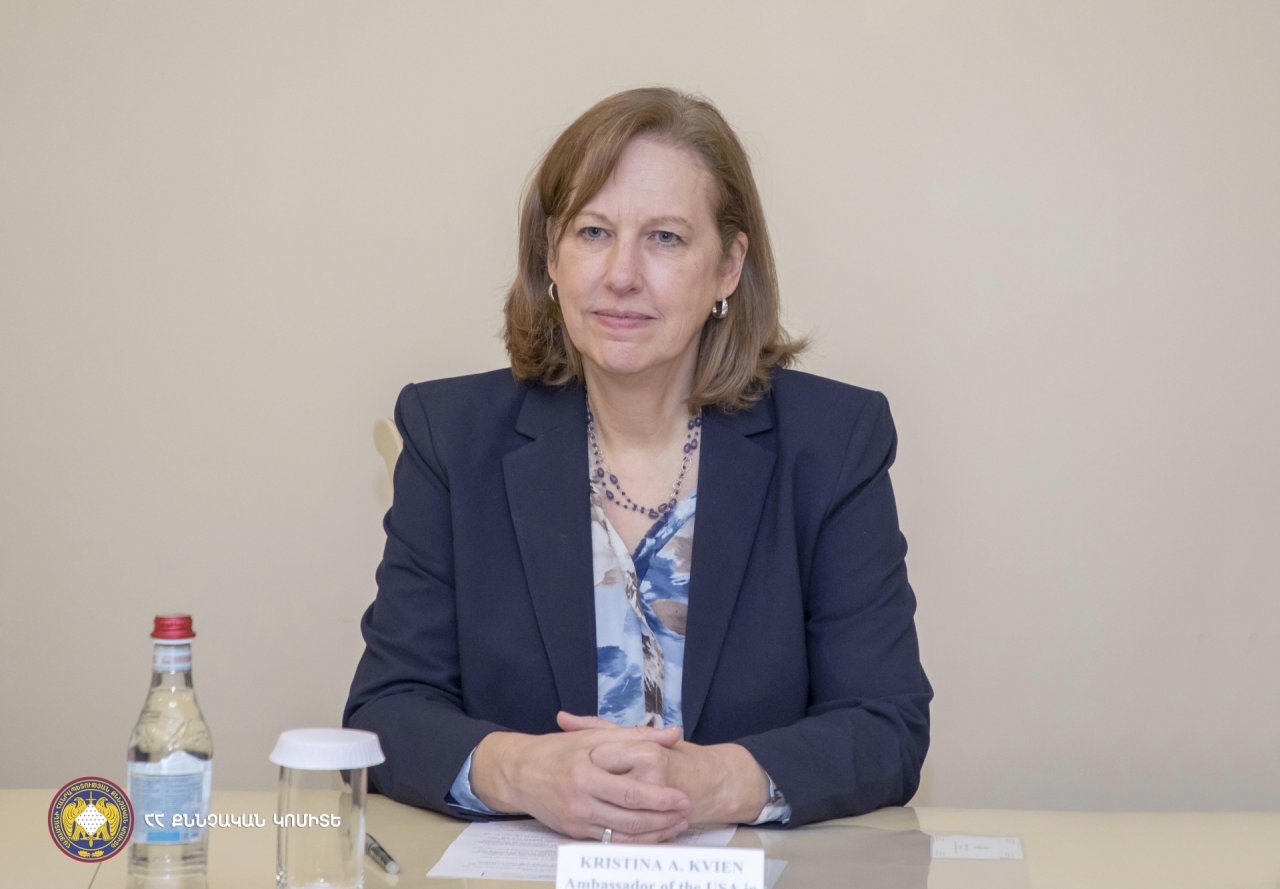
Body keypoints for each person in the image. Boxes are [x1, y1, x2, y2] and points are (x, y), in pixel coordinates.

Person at [344, 87, 931, 843]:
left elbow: (885, 724)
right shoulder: (451, 436)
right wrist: (524, 771)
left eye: (665, 239)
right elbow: (387, 711)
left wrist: (711, 783)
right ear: (551, 256)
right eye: (593, 232)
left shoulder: (833, 440)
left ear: (728, 266)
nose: (621, 274)